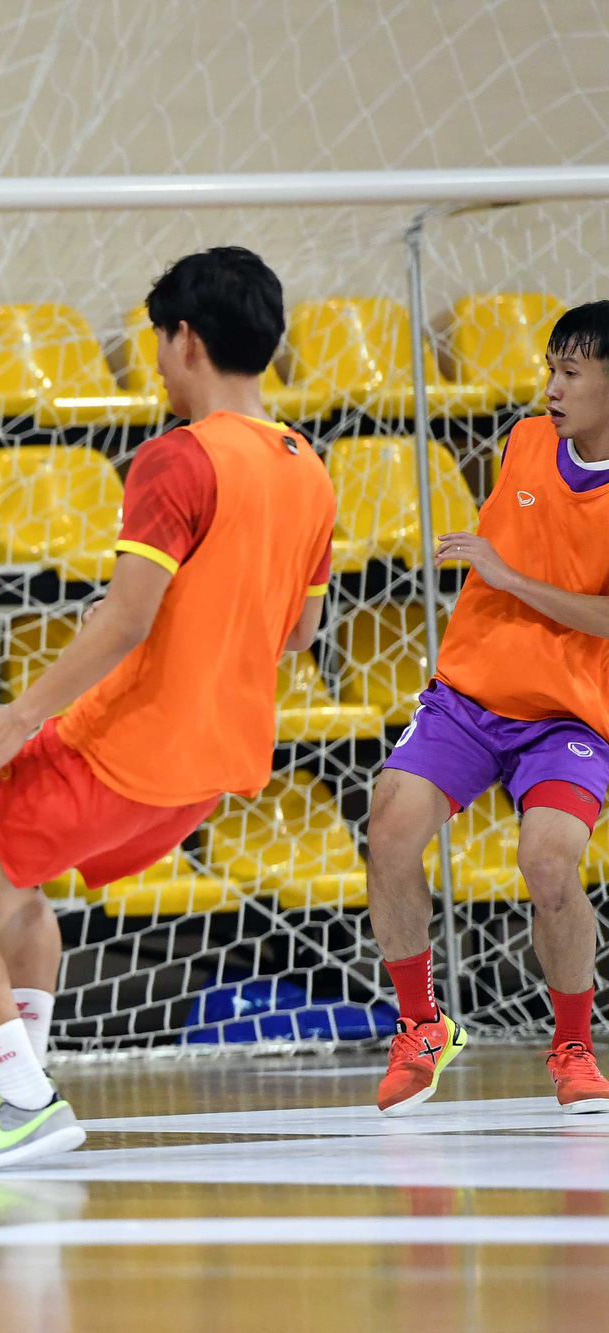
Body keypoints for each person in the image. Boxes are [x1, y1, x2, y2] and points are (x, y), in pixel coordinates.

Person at [0, 246, 337, 1173]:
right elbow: (302, 629)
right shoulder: (309, 467)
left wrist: (21, 713)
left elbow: (131, 615)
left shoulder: (179, 457)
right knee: (15, 884)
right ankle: (9, 1075)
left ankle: (25, 1100)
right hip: (213, 765)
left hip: (124, 746)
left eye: (157, 342)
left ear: (184, 340)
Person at [365, 300, 609, 1117]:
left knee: (547, 861)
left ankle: (572, 1041)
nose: (551, 387)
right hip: (469, 697)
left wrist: (509, 579)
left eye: (571, 372)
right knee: (390, 820)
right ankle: (422, 1025)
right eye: (551, 368)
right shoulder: (526, 440)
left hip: (571, 716)